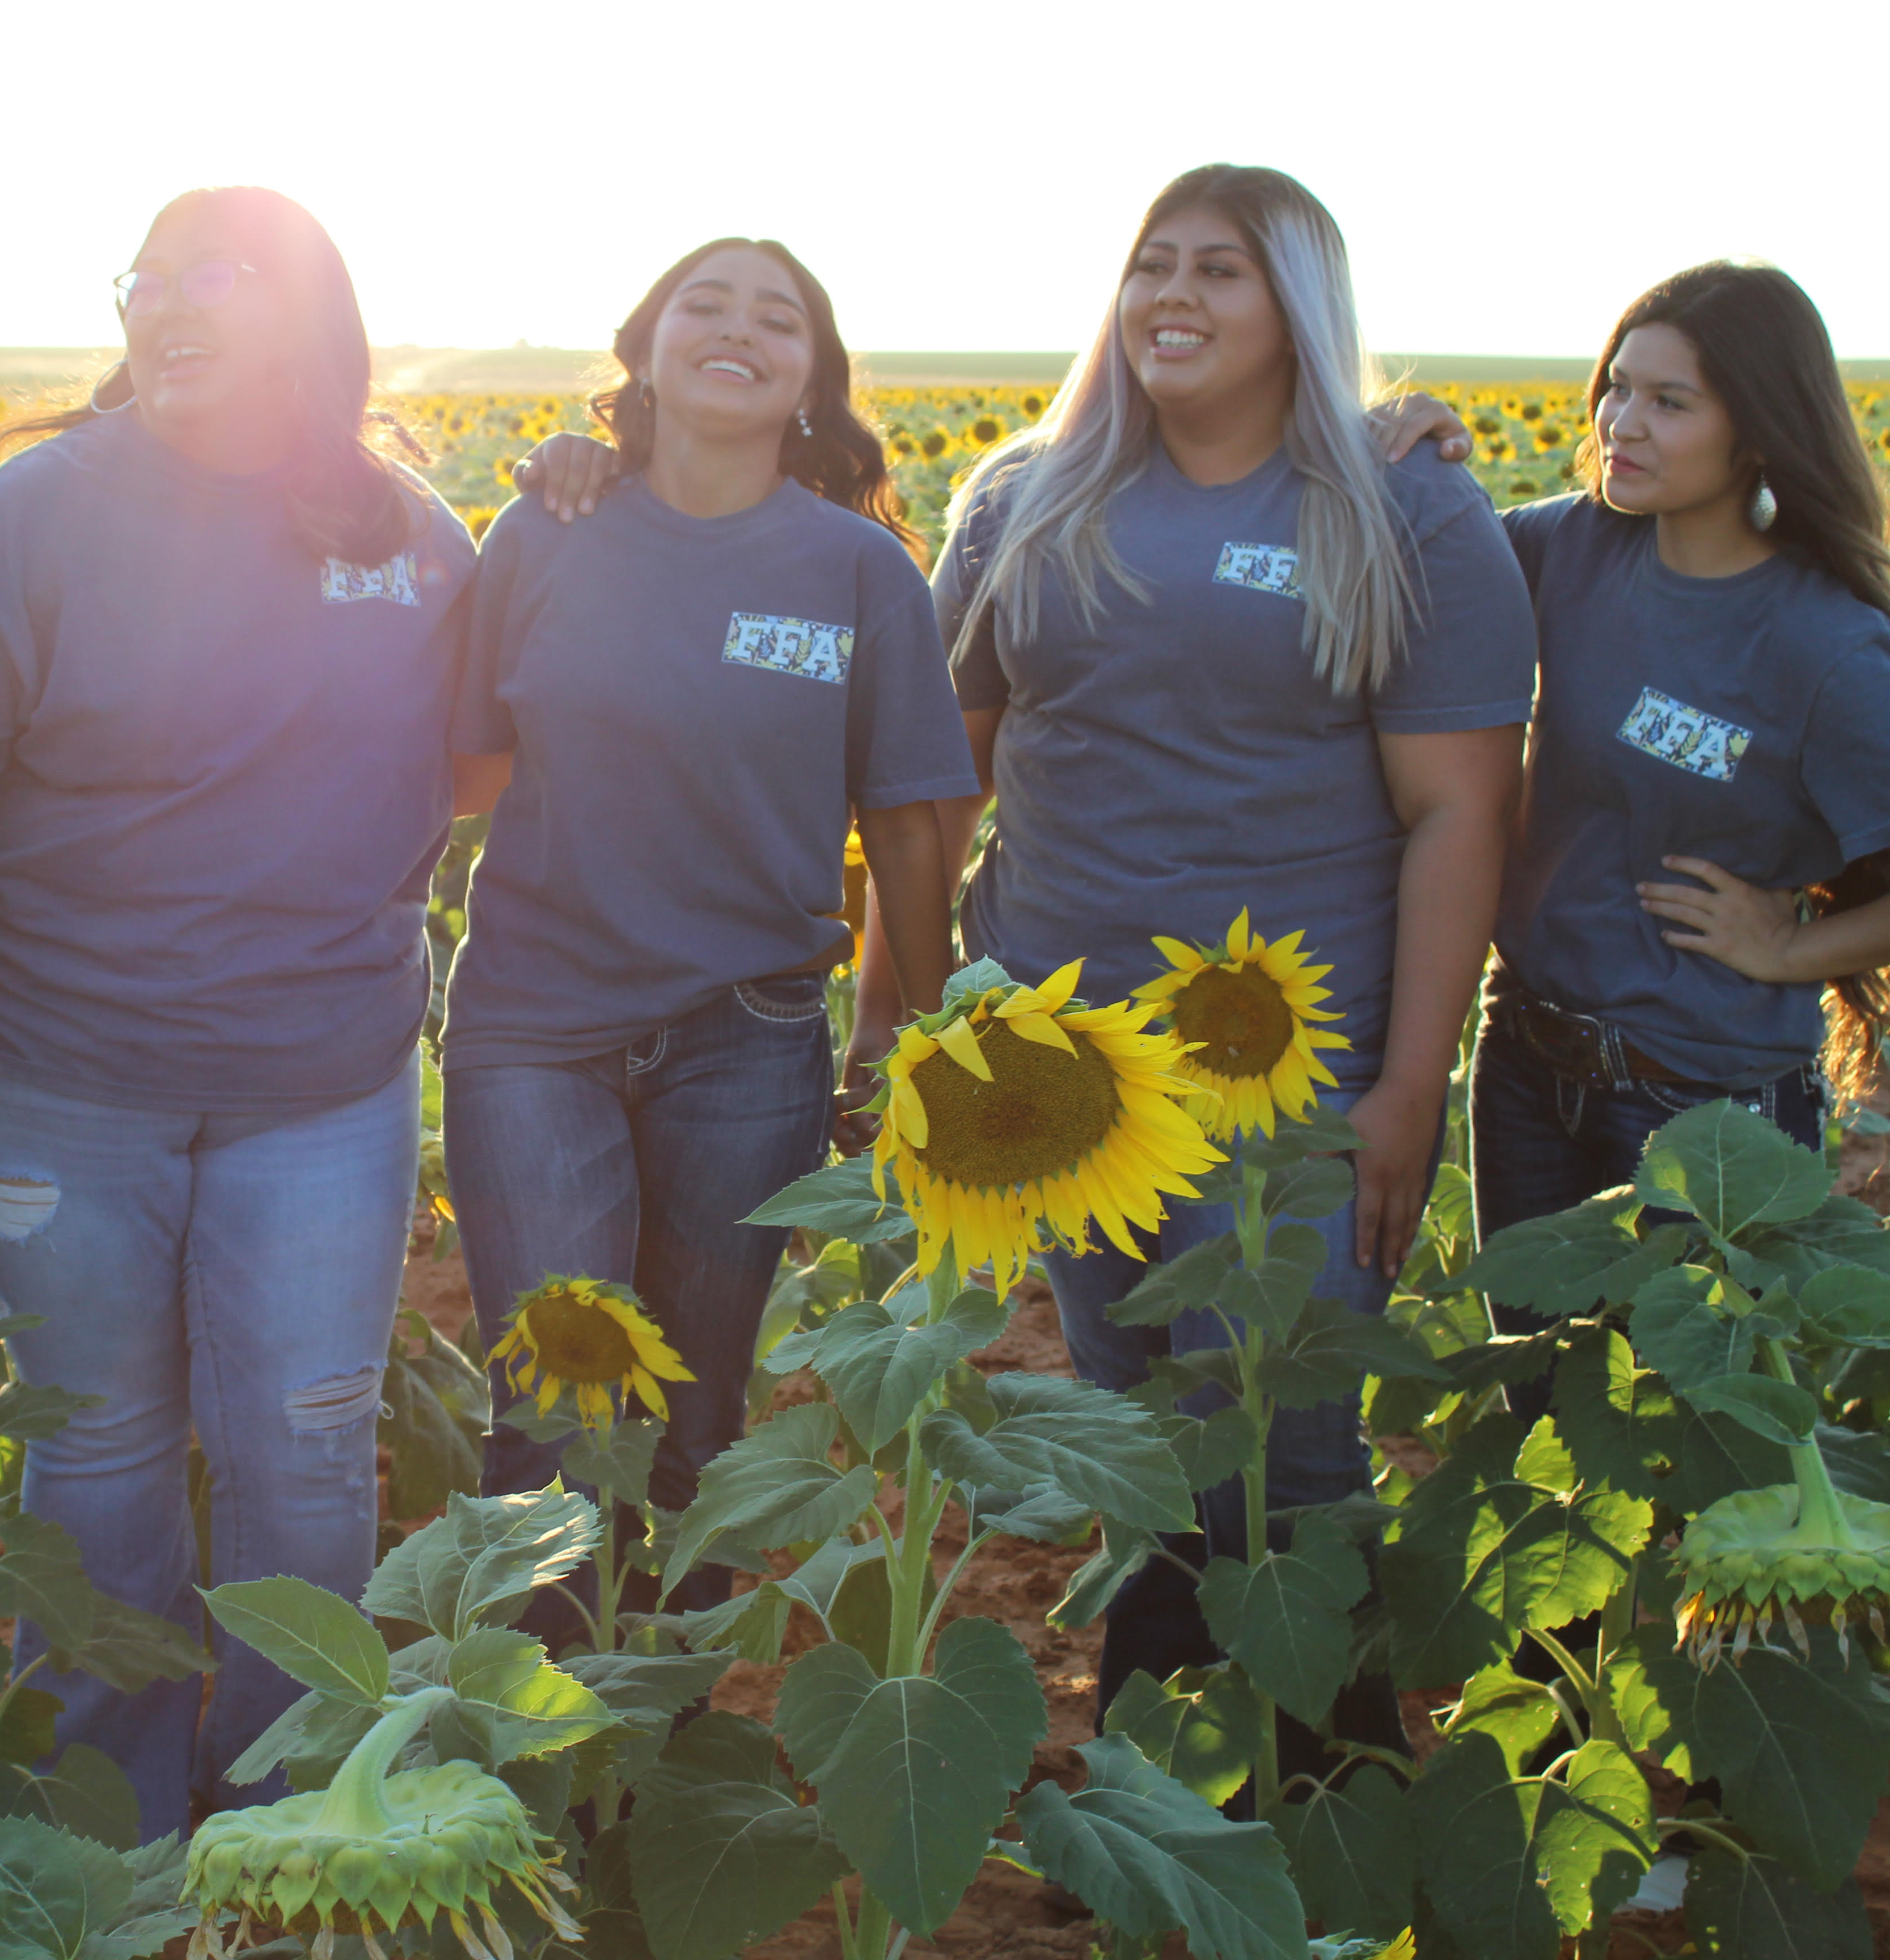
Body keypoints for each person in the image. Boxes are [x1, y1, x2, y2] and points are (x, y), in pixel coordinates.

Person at [906, 164, 1536, 1754]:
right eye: (1151, 266)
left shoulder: (1404, 508)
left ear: (1299, 312)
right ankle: (1172, 1819)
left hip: (1295, 1079)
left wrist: (1410, 1085)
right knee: (1143, 1426)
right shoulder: (1020, 499)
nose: (1172, 296)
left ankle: (1319, 1810)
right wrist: (904, 1018)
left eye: (1222, 273)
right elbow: (936, 782)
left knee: (1284, 1441)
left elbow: (1459, 811)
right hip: (1060, 1074)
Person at [0, 186, 473, 1839]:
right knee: (93, 1474)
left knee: (305, 1458)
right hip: (50, 1081)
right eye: (145, 280)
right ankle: (104, 1837)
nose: (166, 304)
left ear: (311, 317)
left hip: (323, 1087)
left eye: (215, 276)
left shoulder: (410, 539)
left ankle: (295, 1834)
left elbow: (487, 758)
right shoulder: (20, 529)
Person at [442, 238, 972, 1621]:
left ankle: (647, 1763)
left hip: (751, 1038)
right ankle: (536, 1761)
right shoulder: (545, 530)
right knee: (552, 1409)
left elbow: (911, 819)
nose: (738, 329)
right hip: (534, 1029)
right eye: (705, 303)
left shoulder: (856, 571)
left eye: (778, 319)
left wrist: (922, 1040)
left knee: (694, 1423)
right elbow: (463, 769)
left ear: (812, 378)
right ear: (643, 346)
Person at [1477, 262, 1890, 1330]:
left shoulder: (1827, 646)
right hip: (1524, 1064)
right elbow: (1411, 552)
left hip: (1702, 1108)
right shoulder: (1568, 547)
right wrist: (1412, 440)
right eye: (1617, 386)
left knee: (1687, 1433)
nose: (1623, 421)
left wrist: (1791, 950)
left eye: (1670, 401)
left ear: (1757, 431)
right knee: (1533, 1401)